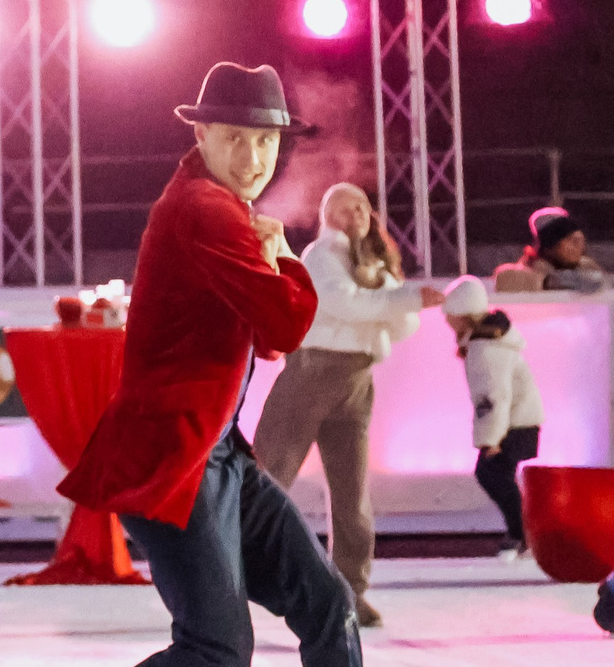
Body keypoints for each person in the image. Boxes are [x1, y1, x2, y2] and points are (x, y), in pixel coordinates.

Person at [0, 64, 424, 667]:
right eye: (238, 138)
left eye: (266, 140)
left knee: (327, 602)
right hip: (171, 462)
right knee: (218, 648)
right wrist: (283, 255)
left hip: (215, 455)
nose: (254, 155)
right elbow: (285, 326)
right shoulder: (205, 211)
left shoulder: (220, 205)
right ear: (202, 135)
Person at [254, 183, 442, 626]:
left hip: (356, 377)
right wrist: (405, 299)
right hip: (314, 371)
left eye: (360, 205)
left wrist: (398, 302)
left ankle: (351, 591)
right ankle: (235, 571)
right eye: (343, 207)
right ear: (327, 216)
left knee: (352, 494)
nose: (354, 213)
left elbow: (399, 326)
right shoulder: (322, 256)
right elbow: (346, 305)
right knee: (270, 476)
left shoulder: (373, 262)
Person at [443, 275, 544, 553]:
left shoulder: (484, 348)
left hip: (514, 424)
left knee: (492, 474)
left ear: (461, 315)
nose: (446, 320)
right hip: (519, 420)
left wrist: (491, 439)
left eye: (450, 315)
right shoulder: (488, 343)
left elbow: (493, 396)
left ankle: (523, 532)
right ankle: (524, 532)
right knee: (496, 475)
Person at [500, 207, 606, 294]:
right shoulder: (526, 269)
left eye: (577, 241)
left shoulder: (585, 265)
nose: (576, 247)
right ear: (548, 248)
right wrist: (552, 281)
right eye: (569, 240)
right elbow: (504, 279)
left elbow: (600, 282)